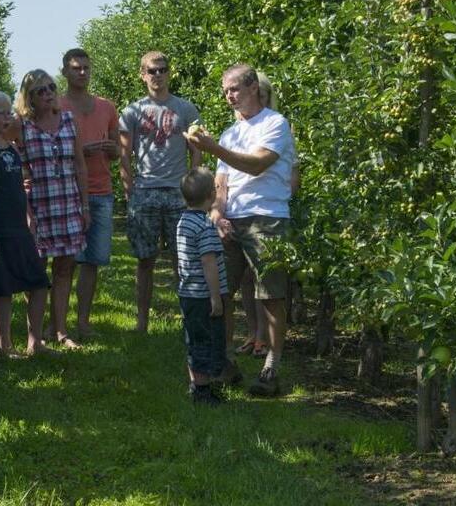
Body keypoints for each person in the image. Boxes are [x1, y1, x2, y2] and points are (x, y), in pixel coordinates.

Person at [185, 64, 296, 396]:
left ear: (252, 87)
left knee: (271, 295)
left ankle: (271, 368)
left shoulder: (275, 124)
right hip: (231, 221)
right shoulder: (230, 132)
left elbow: (258, 163)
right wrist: (217, 213)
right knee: (219, 293)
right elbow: (222, 184)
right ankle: (224, 362)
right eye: (224, 91)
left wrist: (212, 149)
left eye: (233, 89)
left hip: (267, 217)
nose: (228, 96)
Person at [119, 51, 201, 332]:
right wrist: (130, 190)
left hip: (178, 192)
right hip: (145, 191)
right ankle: (142, 321)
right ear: (143, 74)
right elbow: (124, 154)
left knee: (184, 260)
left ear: (169, 73)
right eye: (152, 71)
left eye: (162, 70)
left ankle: (188, 319)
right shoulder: (132, 112)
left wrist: (193, 187)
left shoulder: (186, 109)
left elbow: (196, 152)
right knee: (145, 260)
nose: (158, 75)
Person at [14, 69, 89, 349]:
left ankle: (60, 330)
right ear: (29, 97)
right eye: (40, 90)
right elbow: (19, 167)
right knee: (37, 271)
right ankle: (34, 335)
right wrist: (26, 211)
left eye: (50, 88)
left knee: (64, 269)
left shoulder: (68, 120)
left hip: (68, 203)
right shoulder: (22, 126)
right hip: (38, 207)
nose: (47, 94)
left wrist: (84, 205)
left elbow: (80, 165)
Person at [0, 91, 52, 356]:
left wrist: (29, 216)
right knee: (4, 289)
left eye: (8, 111)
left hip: (20, 228)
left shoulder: (10, 146)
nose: (7, 117)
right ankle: (4, 346)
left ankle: (35, 343)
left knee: (38, 283)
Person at [59, 48, 119, 339]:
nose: (82, 72)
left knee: (93, 260)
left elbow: (118, 150)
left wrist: (111, 150)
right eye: (75, 68)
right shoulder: (56, 105)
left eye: (85, 67)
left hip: (101, 190)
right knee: (65, 261)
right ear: (65, 72)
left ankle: (83, 321)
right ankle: (58, 324)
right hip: (67, 191)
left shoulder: (107, 107)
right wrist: (80, 153)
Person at [176, 167, 228, 405]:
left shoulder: (184, 222)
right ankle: (203, 391)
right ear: (211, 196)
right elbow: (209, 263)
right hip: (204, 296)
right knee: (207, 341)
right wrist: (216, 297)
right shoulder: (205, 227)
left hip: (188, 293)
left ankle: (195, 385)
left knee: (194, 339)